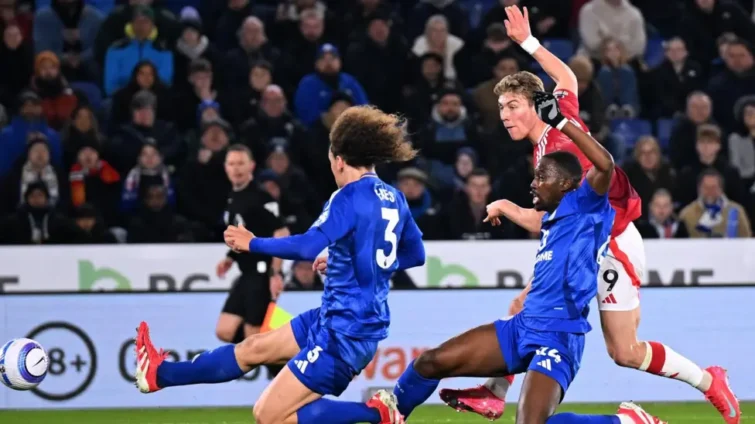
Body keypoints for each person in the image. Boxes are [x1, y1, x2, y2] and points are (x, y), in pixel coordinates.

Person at [439, 6, 741, 424]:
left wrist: (508, 208)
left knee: (623, 350)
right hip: (588, 242)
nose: (504, 115)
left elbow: (559, 219)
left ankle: (708, 382)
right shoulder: (553, 127)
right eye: (501, 107)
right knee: (529, 305)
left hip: (611, 242)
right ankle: (494, 392)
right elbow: (567, 78)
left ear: (533, 106)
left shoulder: (561, 149)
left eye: (512, 106)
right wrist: (529, 43)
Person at [133, 106, 425, 424]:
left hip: (345, 333)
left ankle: (378, 414)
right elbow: (416, 254)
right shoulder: (394, 197)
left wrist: (252, 243)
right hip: (337, 318)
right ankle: (159, 373)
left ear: (339, 160)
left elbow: (306, 247)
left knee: (267, 415)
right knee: (253, 349)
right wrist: (354, 259)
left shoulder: (347, 197)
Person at [391, 89, 665, 424]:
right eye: (535, 176)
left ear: (567, 184)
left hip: (559, 336)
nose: (533, 184)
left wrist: (560, 121)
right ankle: (391, 414)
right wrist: (506, 207)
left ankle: (626, 422)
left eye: (542, 178)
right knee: (429, 362)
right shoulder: (550, 217)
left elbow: (604, 164)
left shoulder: (586, 205)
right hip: (522, 328)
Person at [215, 144, 289, 344]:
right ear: (226, 167)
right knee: (224, 331)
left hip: (261, 276)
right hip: (246, 275)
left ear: (251, 166)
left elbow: (281, 233)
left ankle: (284, 349)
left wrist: (275, 273)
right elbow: (244, 235)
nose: (236, 168)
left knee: (253, 338)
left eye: (241, 163)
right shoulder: (233, 197)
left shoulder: (261, 197)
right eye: (232, 164)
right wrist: (230, 258)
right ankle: (277, 343)